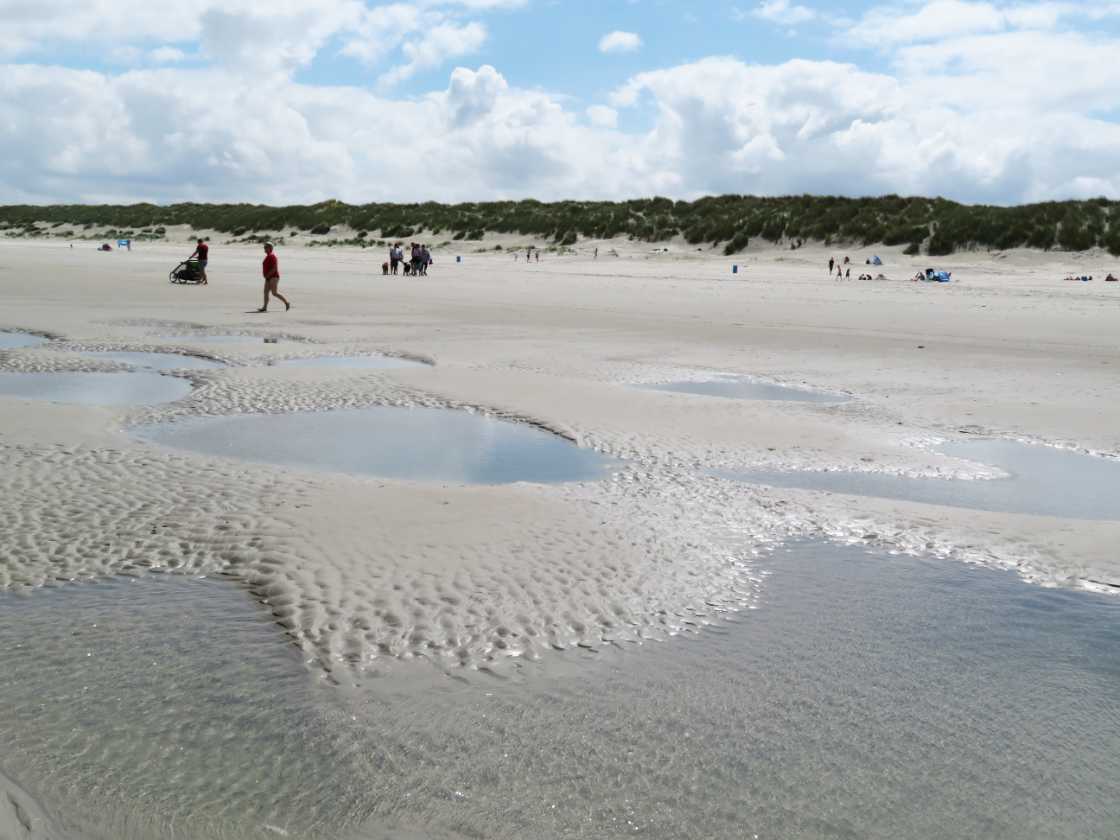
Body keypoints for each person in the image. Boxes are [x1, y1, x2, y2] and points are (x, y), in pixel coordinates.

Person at [257, 243, 289, 312]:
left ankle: (286, 303)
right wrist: (266, 276)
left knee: (274, 293)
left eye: (266, 247)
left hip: (274, 277)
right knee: (266, 292)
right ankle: (264, 307)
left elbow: (275, 268)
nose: (264, 248)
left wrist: (268, 275)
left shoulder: (272, 256)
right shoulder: (267, 256)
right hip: (268, 277)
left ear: (270, 248)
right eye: (264, 247)